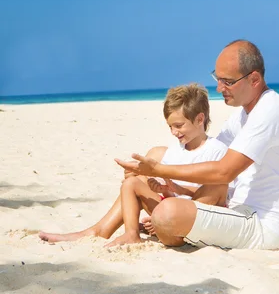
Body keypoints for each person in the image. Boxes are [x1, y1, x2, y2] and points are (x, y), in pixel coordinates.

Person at [116, 39, 279, 250]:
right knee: (142, 173)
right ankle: (102, 230)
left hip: (263, 225)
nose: (219, 88)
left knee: (168, 211)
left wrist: (159, 169)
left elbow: (224, 172)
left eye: (227, 81)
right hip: (236, 211)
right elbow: (206, 150)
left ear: (254, 79)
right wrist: (148, 171)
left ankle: (165, 224)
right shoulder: (243, 115)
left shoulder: (270, 111)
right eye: (217, 78)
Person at [39, 83, 229, 247]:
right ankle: (127, 234)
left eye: (179, 125)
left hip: (192, 221)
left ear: (200, 119)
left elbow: (213, 197)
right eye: (170, 126)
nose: (173, 132)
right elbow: (171, 194)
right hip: (170, 212)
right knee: (132, 182)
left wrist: (172, 199)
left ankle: (147, 225)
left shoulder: (216, 150)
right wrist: (163, 190)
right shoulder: (175, 151)